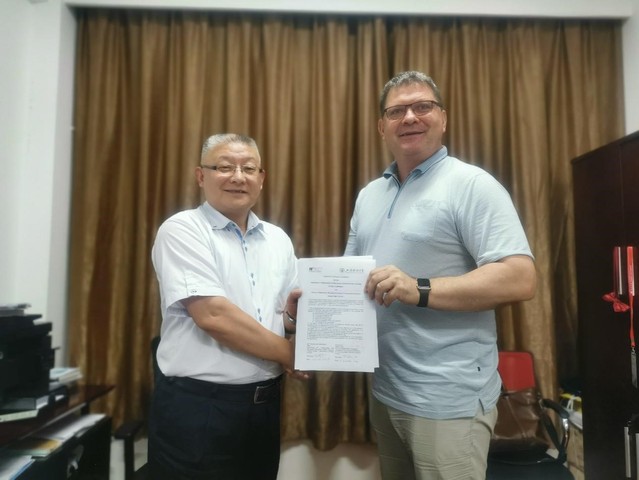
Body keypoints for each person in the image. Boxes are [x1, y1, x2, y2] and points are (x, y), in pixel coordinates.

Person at [344, 71, 537, 480]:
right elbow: (349, 280)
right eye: (396, 111)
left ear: (443, 118)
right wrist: (308, 315)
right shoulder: (369, 195)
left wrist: (418, 288)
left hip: (448, 400)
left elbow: (520, 277)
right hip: (386, 391)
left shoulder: (472, 185)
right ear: (381, 126)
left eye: (423, 106)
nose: (410, 117)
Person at [148, 133, 307, 480]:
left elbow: (280, 316)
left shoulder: (278, 239)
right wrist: (292, 354)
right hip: (199, 409)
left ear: (261, 178)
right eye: (224, 167)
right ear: (201, 176)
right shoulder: (183, 230)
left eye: (249, 168)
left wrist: (297, 325)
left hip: (265, 408)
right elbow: (213, 316)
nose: (238, 177)